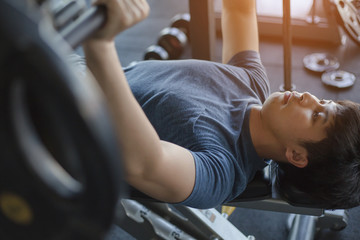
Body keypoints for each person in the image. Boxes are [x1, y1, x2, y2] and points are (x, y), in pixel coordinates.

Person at [82, 0, 360, 209]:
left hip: (55, 116)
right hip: (75, 66)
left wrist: (100, 43)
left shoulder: (221, 171)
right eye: (323, 100)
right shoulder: (253, 83)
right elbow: (238, 10)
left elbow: (144, 164)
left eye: (317, 115)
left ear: (297, 156)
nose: (309, 97)